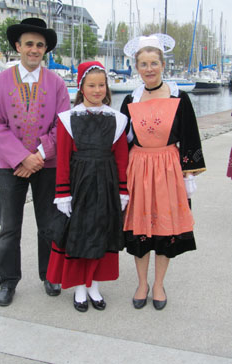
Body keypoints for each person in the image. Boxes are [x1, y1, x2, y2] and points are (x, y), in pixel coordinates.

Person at [0, 18, 70, 306]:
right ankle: (8, 281)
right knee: (9, 226)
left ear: (45, 49)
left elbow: (62, 126)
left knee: (49, 223)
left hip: (46, 165)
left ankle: (50, 274)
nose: (34, 49)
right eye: (29, 44)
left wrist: (38, 156)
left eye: (40, 45)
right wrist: (21, 158)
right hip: (11, 166)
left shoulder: (57, 84)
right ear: (18, 46)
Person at [120, 34, 206, 310]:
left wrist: (188, 173)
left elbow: (190, 135)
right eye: (143, 63)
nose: (149, 68)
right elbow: (123, 140)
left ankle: (159, 284)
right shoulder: (130, 99)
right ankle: (142, 282)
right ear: (137, 67)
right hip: (139, 167)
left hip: (168, 167)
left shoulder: (179, 96)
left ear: (162, 65)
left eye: (154, 62)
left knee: (165, 227)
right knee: (140, 227)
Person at [45, 61, 129, 312]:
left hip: (106, 181)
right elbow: (62, 159)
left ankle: (94, 285)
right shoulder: (68, 119)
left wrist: (122, 190)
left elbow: (121, 157)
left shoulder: (118, 119)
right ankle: (80, 287)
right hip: (79, 184)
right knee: (79, 236)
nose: (97, 90)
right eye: (91, 85)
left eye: (101, 85)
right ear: (81, 88)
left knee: (101, 234)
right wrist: (63, 193)